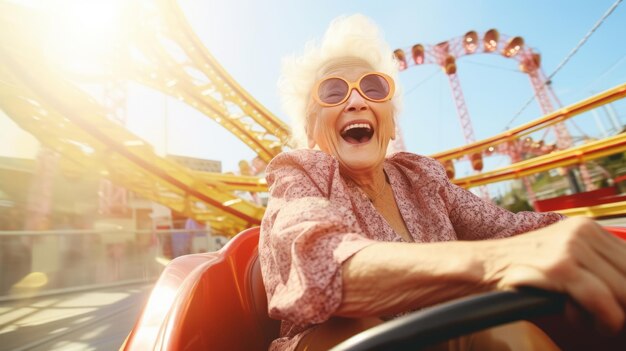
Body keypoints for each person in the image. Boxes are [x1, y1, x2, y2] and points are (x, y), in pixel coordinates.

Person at [258, 14, 626, 351]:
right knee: (359, 327)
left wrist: (583, 243)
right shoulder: (298, 174)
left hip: (442, 334)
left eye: (373, 87)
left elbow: (510, 231)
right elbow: (319, 262)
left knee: (506, 335)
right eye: (333, 92)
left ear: (390, 120)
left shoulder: (421, 177)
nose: (356, 101)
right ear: (310, 129)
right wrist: (495, 265)